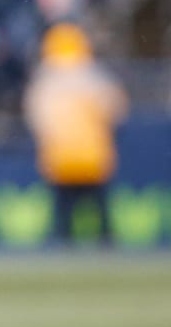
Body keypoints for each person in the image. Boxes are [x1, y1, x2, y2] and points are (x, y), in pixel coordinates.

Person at [23, 22, 128, 245]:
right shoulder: (94, 77)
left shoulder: (45, 82)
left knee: (63, 217)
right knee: (101, 216)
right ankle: (107, 251)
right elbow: (116, 109)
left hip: (60, 157)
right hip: (93, 155)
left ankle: (62, 251)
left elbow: (37, 121)